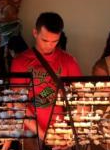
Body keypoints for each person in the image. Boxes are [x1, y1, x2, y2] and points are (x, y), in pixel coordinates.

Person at [10, 12, 82, 142]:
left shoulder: (68, 61)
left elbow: (82, 98)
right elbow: (19, 105)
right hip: (31, 135)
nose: (49, 45)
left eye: (55, 41)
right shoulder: (21, 62)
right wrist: (45, 136)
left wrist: (71, 133)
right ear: (35, 33)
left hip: (62, 133)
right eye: (45, 40)